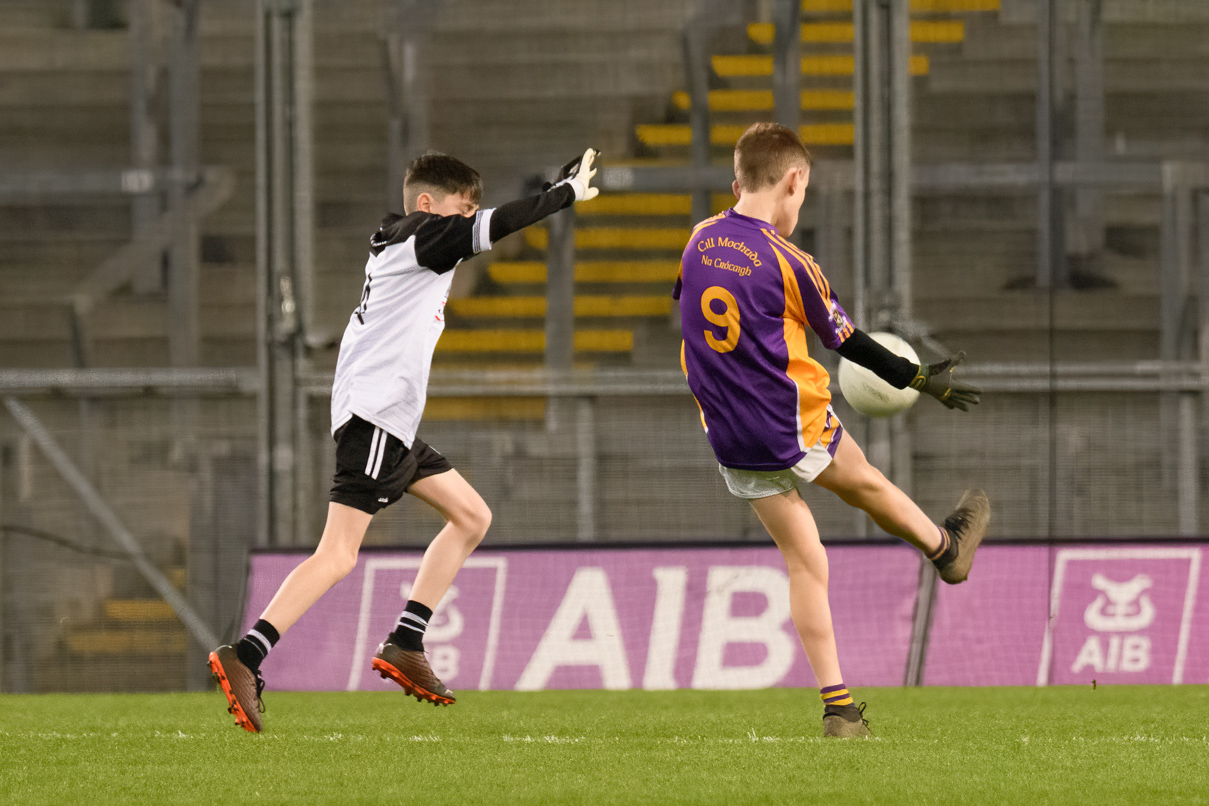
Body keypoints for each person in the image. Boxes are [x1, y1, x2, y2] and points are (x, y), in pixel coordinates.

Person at [209, 148, 601, 733]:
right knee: (338, 555)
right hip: (373, 419)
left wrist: (548, 187)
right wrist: (560, 196)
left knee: (471, 516)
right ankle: (247, 655)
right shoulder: (420, 237)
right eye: (458, 209)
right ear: (426, 204)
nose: (464, 219)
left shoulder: (409, 241)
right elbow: (490, 227)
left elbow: (477, 225)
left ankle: (406, 641)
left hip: (391, 422)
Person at [673, 123, 989, 739]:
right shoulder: (792, 262)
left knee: (803, 560)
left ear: (736, 182)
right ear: (794, 181)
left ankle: (839, 707)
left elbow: (691, 311)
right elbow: (848, 341)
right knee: (865, 483)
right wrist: (918, 377)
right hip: (792, 421)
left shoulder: (696, 240)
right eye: (804, 192)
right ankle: (946, 550)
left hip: (732, 436)